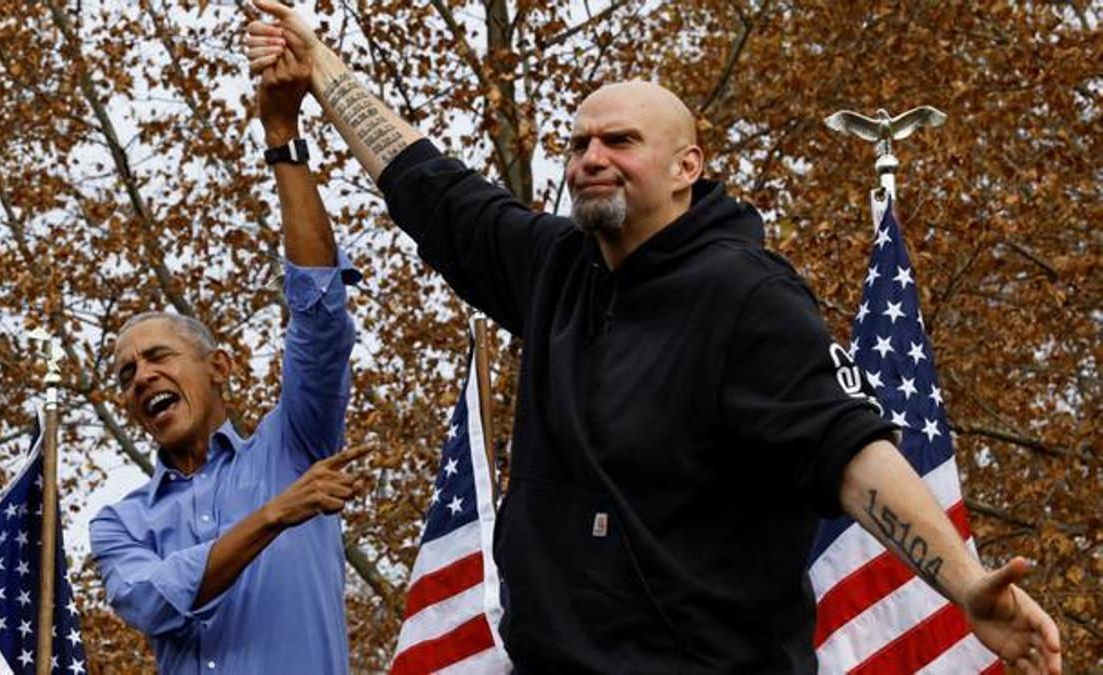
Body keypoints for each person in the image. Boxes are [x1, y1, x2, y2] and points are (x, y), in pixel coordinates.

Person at [245, 3, 1062, 673]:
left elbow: (849, 451)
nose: (591, 159)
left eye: (620, 142)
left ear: (687, 167)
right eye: (578, 144)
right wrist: (319, 68)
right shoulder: (554, 268)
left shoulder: (747, 295)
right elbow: (426, 182)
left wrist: (963, 584)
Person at [89, 31, 365, 674]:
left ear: (220, 367)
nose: (141, 377)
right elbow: (150, 600)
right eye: (127, 374)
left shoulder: (296, 445)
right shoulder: (119, 524)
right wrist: (277, 513)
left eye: (158, 356)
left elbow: (320, 313)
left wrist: (282, 135)